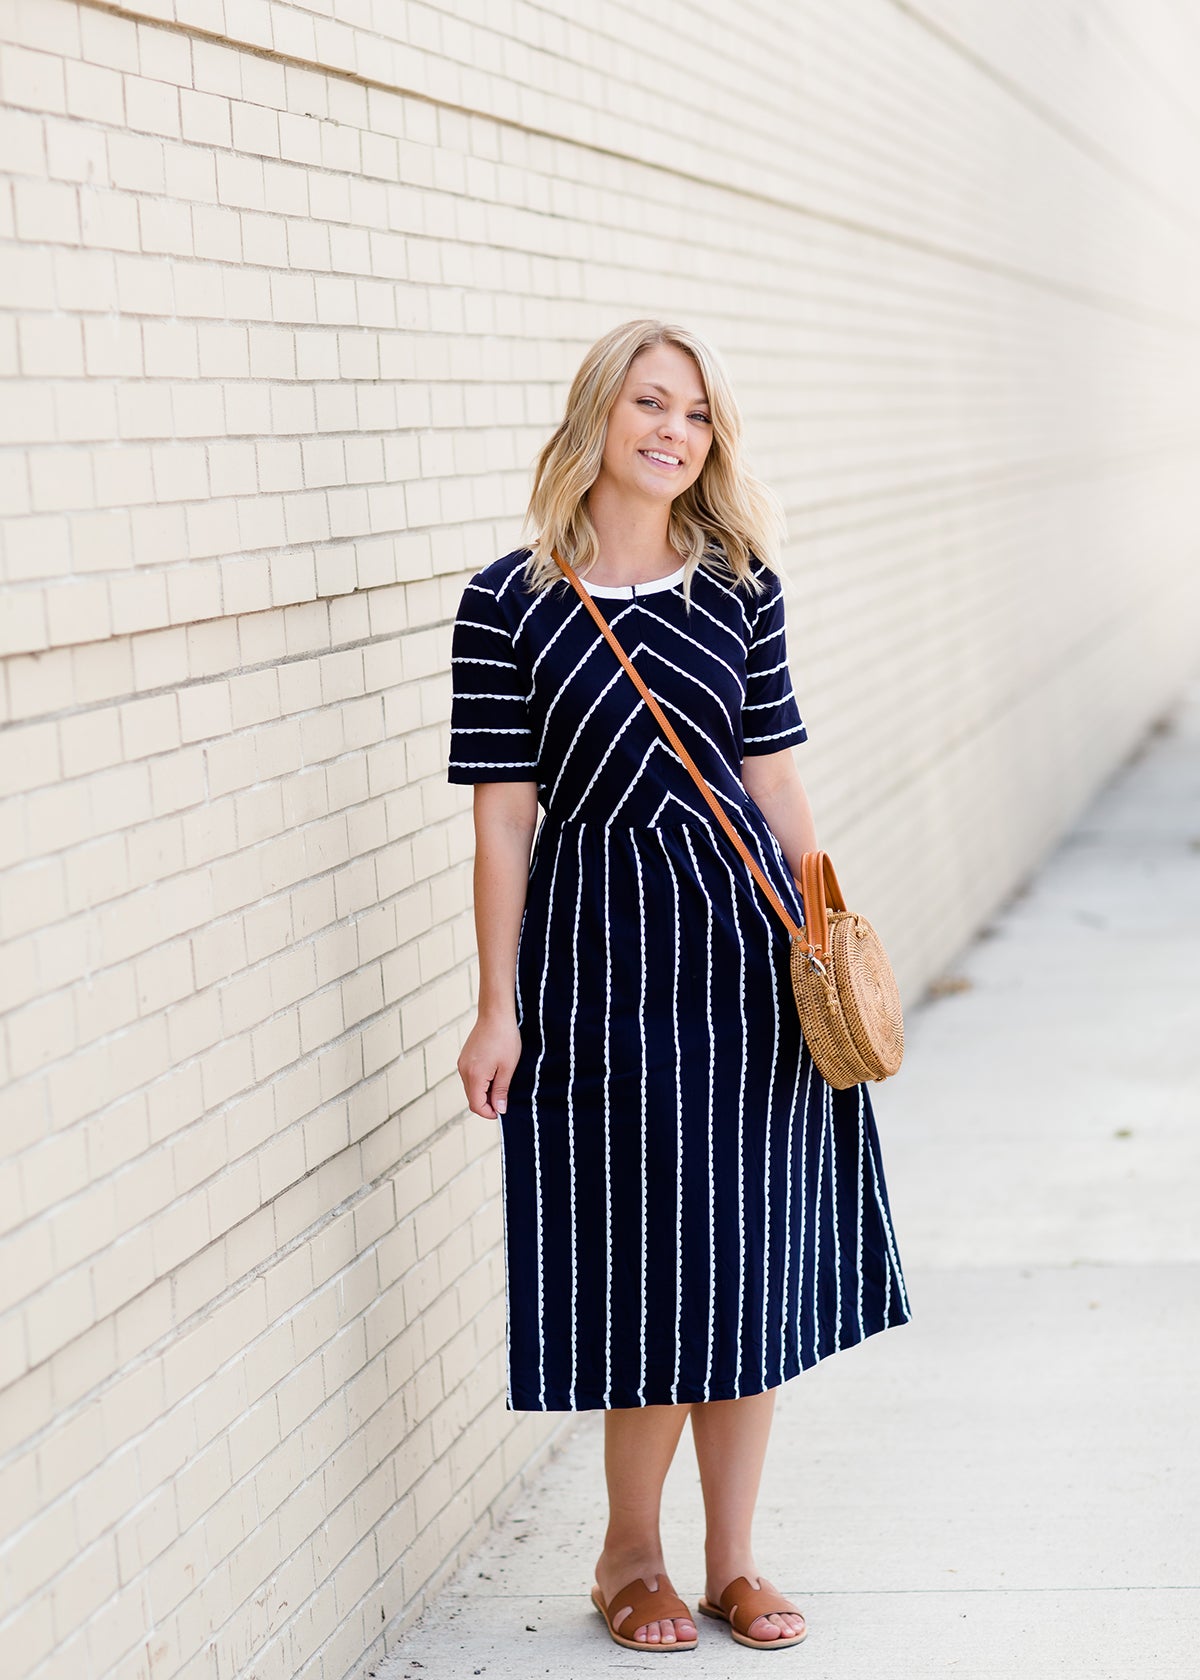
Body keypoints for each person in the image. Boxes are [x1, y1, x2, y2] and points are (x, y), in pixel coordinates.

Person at [447, 319, 910, 1653]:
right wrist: (498, 1005)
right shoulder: (509, 601)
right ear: (597, 416)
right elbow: (503, 821)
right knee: (648, 1265)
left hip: (748, 961)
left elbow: (775, 782)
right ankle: (628, 1559)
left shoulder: (741, 586)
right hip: (597, 964)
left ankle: (733, 1561)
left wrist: (830, 940)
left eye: (697, 414)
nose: (674, 430)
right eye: (651, 403)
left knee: (746, 1260)